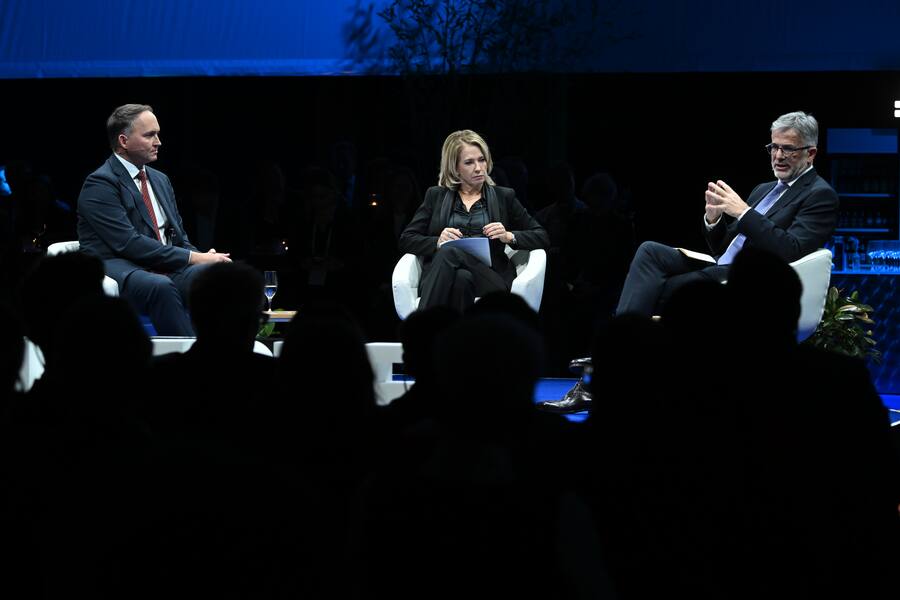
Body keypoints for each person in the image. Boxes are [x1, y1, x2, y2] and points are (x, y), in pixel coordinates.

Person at [540, 110, 839, 413]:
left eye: (788, 149)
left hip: (748, 282)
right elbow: (724, 244)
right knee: (650, 251)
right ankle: (612, 362)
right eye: (773, 147)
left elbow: (790, 249)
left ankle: (602, 370)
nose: (778, 156)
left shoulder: (820, 195)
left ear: (811, 153)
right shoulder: (764, 190)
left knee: (660, 290)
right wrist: (713, 220)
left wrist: (743, 212)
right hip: (719, 265)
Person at [77, 104, 231, 336]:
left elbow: (178, 237)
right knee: (161, 287)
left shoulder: (160, 180)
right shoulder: (100, 184)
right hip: (121, 265)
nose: (158, 142)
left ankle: (224, 346)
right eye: (149, 135)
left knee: (218, 275)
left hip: (161, 265)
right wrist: (195, 258)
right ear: (123, 141)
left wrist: (203, 258)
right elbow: (128, 243)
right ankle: (189, 352)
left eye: (157, 134)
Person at [399, 130, 548, 312]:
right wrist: (437, 242)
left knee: (450, 252)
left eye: (482, 160)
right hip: (446, 276)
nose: (478, 168)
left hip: (490, 277)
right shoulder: (435, 196)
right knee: (462, 279)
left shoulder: (504, 196)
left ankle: (422, 323)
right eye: (469, 162)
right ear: (455, 167)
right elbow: (406, 239)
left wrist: (508, 236)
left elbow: (541, 236)